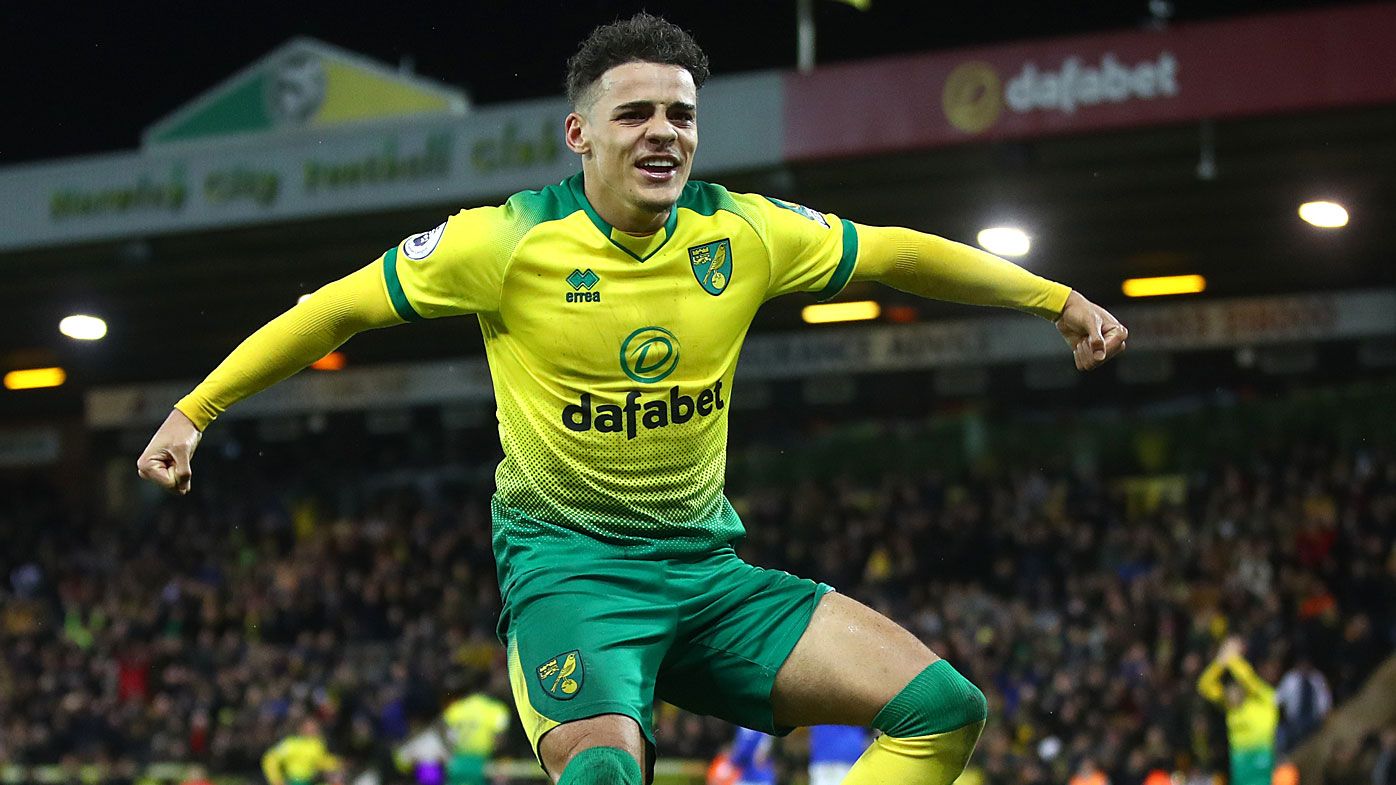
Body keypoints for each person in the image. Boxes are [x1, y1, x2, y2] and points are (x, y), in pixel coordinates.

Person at [137, 13, 1127, 785]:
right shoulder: (504, 242)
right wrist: (195, 411)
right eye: (636, 114)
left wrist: (1054, 299)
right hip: (571, 575)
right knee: (608, 765)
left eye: (681, 115)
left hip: (705, 574)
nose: (664, 132)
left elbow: (898, 249)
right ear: (579, 133)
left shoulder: (744, 232)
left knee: (943, 706)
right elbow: (334, 312)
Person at [1197, 637, 1279, 785]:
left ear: (1241, 688)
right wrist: (1220, 661)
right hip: (1239, 759)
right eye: (1228, 691)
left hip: (1262, 756)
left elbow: (1248, 679)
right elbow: (1204, 685)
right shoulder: (1230, 707)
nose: (1229, 694)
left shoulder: (1265, 698)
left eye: (1234, 689)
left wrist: (1232, 658)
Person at [440, 688, 511, 785]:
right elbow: (500, 737)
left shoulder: (457, 707)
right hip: (482, 763)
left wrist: (449, 747)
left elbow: (443, 727)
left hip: (458, 763)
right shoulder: (495, 709)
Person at [261, 718, 341, 785]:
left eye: (315, 726)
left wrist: (337, 763)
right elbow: (270, 758)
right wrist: (276, 780)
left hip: (311, 780)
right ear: (301, 728)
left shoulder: (317, 744)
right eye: (310, 726)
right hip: (293, 781)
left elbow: (320, 761)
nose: (313, 729)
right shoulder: (291, 743)